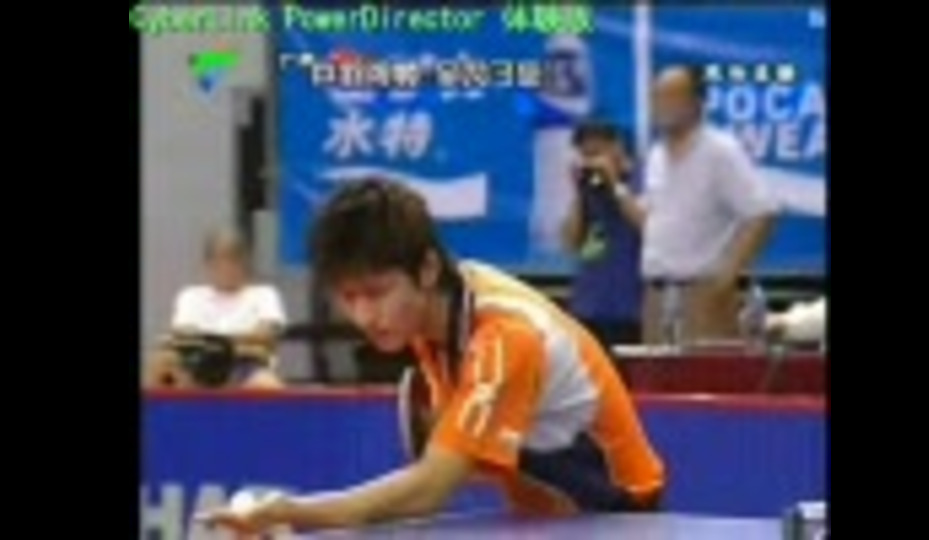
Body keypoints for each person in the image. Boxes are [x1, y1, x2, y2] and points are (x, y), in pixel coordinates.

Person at [198, 179, 665, 535]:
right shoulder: (437, 318)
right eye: (349, 296)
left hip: (619, 521)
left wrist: (291, 511)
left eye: (376, 293)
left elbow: (430, 489)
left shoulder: (504, 337)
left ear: (426, 268)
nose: (364, 316)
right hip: (550, 519)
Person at [613, 65, 777, 344]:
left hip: (702, 293)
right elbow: (652, 223)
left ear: (697, 102)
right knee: (652, 371)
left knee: (704, 370)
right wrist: (617, 191)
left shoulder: (720, 151)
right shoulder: (656, 154)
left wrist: (726, 277)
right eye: (657, 97)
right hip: (656, 294)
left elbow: (763, 212)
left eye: (672, 97)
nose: (662, 106)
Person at [144, 228, 287, 390]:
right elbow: (183, 336)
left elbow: (266, 335)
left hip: (245, 366)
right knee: (161, 364)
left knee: (266, 384)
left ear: (246, 262)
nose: (227, 268)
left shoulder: (265, 295)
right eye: (219, 261)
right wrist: (234, 343)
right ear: (208, 264)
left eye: (234, 260)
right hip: (197, 366)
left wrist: (216, 345)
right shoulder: (190, 296)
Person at [561, 120, 643, 349]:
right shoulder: (590, 187)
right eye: (585, 155)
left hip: (631, 306)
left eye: (597, 153)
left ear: (617, 147)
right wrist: (579, 194)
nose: (592, 161)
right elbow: (571, 242)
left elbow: (645, 225)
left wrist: (614, 183)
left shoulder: (642, 179)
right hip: (588, 305)